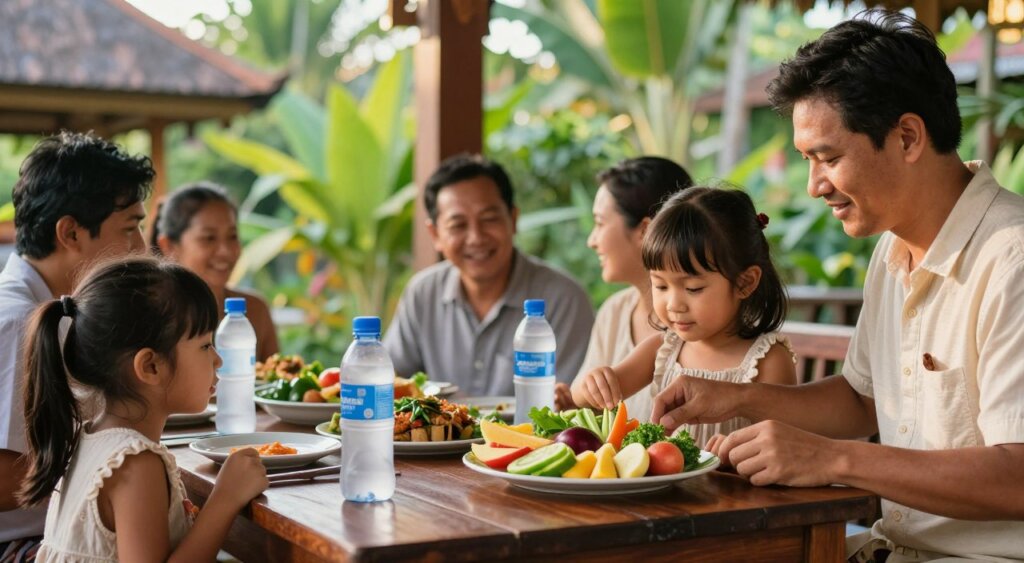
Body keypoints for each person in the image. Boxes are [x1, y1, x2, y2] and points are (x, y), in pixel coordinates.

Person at [651, 10, 1024, 561]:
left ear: (907, 136)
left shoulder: (1011, 257)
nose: (813, 185)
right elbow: (861, 400)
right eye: (807, 160)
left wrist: (834, 459)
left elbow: (1016, 475)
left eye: (828, 157)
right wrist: (736, 396)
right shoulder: (892, 249)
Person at [19, 257, 268, 560]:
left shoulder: (91, 437)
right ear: (150, 366)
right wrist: (225, 499)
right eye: (205, 346)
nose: (218, 360)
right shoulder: (136, 464)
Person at [0, 131, 153, 561]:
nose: (140, 247)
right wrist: (110, 462)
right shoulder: (18, 322)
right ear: (70, 232)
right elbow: (3, 482)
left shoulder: (41, 306)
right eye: (130, 228)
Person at [572, 187, 795, 446]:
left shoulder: (768, 360)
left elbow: (781, 444)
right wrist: (593, 384)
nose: (674, 304)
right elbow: (584, 397)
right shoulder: (663, 349)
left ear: (745, 282)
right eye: (661, 286)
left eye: (693, 289)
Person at [384, 154, 595, 396]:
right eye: (458, 225)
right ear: (435, 235)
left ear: (513, 220)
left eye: (489, 219)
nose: (476, 238)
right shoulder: (422, 293)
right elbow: (391, 381)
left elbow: (568, 404)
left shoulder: (563, 299)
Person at [558, 157, 694, 419]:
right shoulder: (615, 311)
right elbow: (589, 403)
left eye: (599, 223)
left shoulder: (698, 325)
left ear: (645, 230)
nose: (591, 241)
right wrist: (572, 404)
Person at [151, 182, 279, 362]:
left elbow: (277, 380)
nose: (225, 251)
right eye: (209, 238)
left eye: (232, 236)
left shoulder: (255, 310)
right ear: (169, 246)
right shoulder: (154, 317)